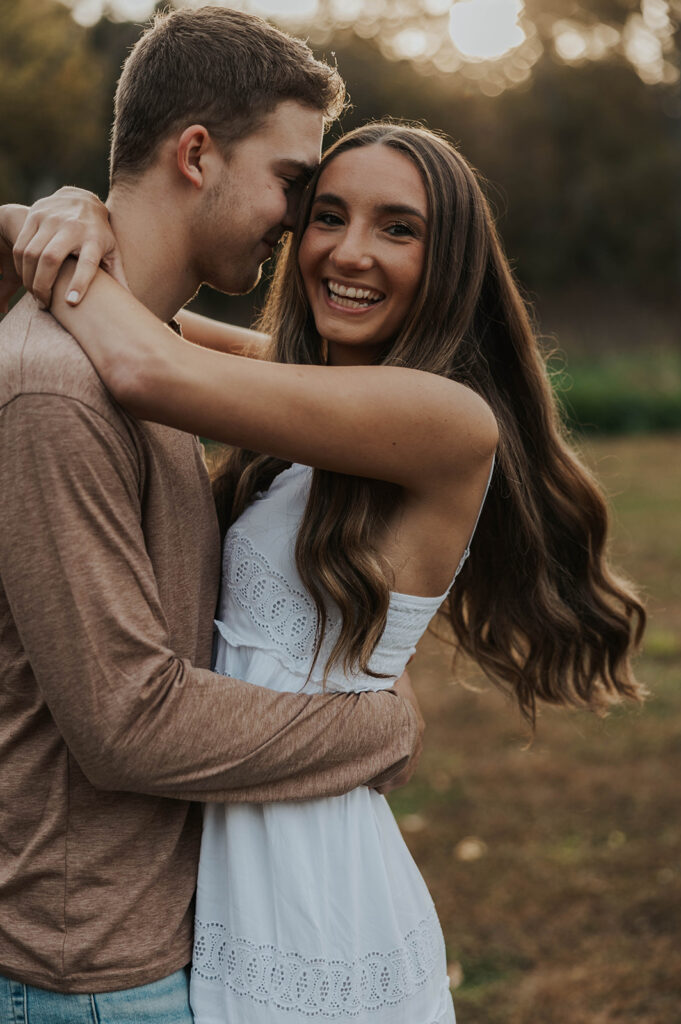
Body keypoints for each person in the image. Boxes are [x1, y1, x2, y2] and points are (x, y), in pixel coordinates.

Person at [3, 121, 646, 1024]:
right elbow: (145, 314)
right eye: (327, 216)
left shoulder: (443, 417)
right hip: (226, 863)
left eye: (398, 228)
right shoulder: (310, 389)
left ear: (451, 259)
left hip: (314, 889)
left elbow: (144, 361)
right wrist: (60, 215)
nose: (350, 252)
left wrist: (56, 233)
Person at [0, 10, 425, 1023]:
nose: (296, 218)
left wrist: (39, 221)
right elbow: (125, 722)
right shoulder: (57, 387)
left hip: (170, 946)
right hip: (94, 974)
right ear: (196, 153)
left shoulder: (146, 360)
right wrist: (376, 728)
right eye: (291, 181)